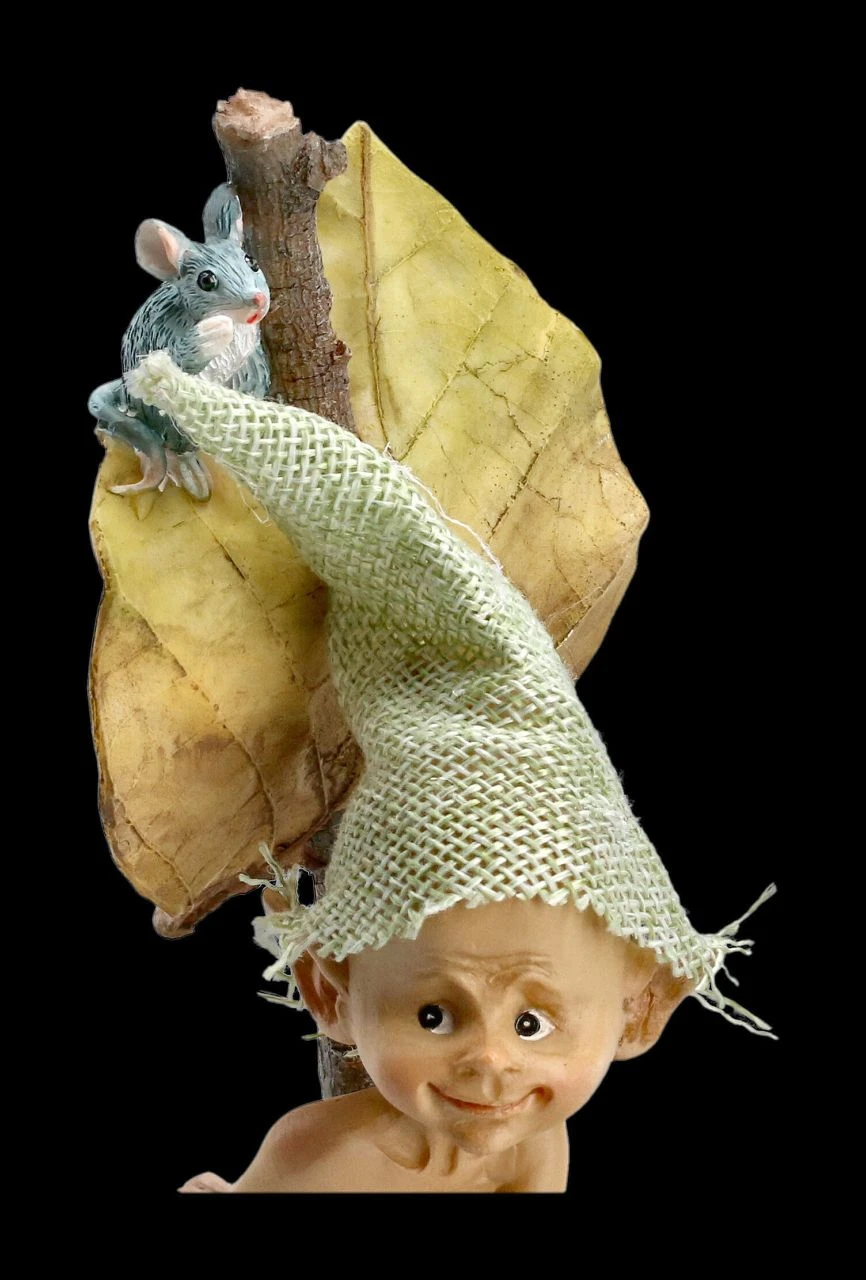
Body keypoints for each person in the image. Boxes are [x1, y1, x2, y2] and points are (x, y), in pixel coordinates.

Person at [126, 351, 774, 1194]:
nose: (492, 1062)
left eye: (534, 1023)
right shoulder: (325, 1161)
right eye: (433, 1014)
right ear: (332, 992)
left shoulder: (536, 1148)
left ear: (638, 1010)